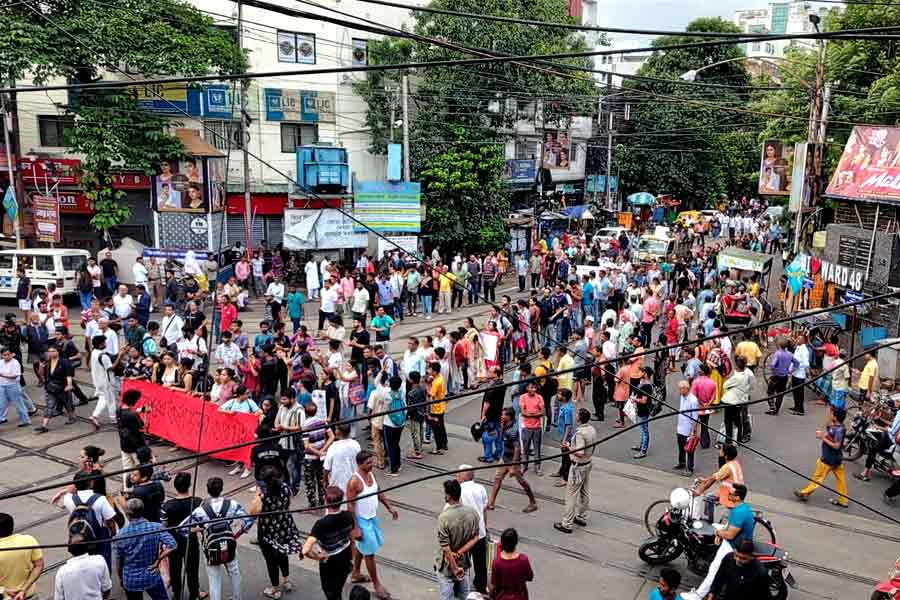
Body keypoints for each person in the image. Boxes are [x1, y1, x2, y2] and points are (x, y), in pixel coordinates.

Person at [179, 477, 255, 600]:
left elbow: (182, 528)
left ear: (207, 490)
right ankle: (237, 597)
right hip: (229, 542)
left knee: (214, 579)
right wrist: (239, 533)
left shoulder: (200, 511)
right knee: (234, 572)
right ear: (221, 489)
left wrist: (201, 529)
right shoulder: (232, 504)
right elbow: (248, 520)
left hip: (211, 546)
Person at [680, 484, 754, 600]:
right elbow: (729, 526)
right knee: (713, 526)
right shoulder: (740, 507)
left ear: (738, 497)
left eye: (731, 493)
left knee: (714, 568)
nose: (728, 494)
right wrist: (720, 531)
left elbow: (730, 535)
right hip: (736, 540)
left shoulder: (739, 512)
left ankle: (698, 595)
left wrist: (718, 533)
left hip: (734, 545)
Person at [346, 450, 399, 599]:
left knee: (363, 548)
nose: (372, 465)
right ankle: (377, 584)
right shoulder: (354, 481)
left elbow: (378, 491)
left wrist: (389, 507)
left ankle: (355, 573)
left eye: (372, 461)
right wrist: (355, 528)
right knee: (369, 554)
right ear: (360, 464)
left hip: (372, 518)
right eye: (368, 463)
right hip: (361, 521)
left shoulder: (371, 474)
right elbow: (350, 506)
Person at [249, 466, 303, 599]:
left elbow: (253, 513)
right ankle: (286, 580)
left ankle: (275, 589)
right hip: (284, 525)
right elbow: (288, 503)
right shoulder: (285, 488)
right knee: (282, 553)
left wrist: (256, 496)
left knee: (271, 560)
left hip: (268, 531)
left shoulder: (263, 495)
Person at [115, 498, 177, 600]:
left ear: (127, 514)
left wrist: (121, 578)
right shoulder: (156, 527)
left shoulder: (121, 535)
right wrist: (158, 560)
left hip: (131, 579)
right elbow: (173, 545)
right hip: (151, 575)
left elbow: (119, 562)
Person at [303, 486, 356, 600]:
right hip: (345, 557)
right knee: (338, 587)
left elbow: (305, 550)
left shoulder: (321, 524)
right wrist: (351, 558)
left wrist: (318, 557)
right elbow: (352, 540)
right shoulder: (348, 516)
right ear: (341, 501)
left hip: (330, 561)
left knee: (330, 590)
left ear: (326, 501)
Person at [794, 405, 849, 508]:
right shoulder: (838, 427)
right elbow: (829, 424)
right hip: (837, 459)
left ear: (835, 417)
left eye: (832, 414)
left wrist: (822, 437)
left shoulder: (838, 430)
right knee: (840, 480)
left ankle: (804, 493)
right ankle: (843, 500)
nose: (830, 415)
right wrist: (830, 414)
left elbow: (836, 446)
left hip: (829, 458)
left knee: (818, 477)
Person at [435, 479, 481, 600]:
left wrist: (455, 568)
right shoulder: (473, 513)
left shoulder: (444, 518)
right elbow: (476, 537)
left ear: (448, 496)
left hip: (446, 566)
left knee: (447, 595)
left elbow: (445, 547)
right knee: (465, 594)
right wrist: (460, 552)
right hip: (464, 561)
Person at [161, 472, 203, 600]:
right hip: (191, 541)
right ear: (189, 485)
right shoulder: (198, 502)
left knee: (175, 568)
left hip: (174, 542)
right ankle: (194, 594)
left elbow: (163, 526)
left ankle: (177, 593)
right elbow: (202, 523)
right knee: (192, 569)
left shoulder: (167, 505)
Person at [487, 408, 538, 513]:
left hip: (512, 460)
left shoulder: (513, 430)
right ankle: (491, 503)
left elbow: (517, 448)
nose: (501, 416)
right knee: (497, 479)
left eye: (503, 415)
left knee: (522, 482)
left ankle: (533, 502)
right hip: (504, 458)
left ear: (509, 417)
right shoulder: (504, 425)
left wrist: (513, 466)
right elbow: (501, 438)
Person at [554, 408, 596, 534]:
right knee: (584, 491)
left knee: (571, 495)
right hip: (588, 463)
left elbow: (580, 452)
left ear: (579, 418)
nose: (575, 416)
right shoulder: (591, 429)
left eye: (577, 415)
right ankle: (581, 516)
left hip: (578, 466)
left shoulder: (580, 434)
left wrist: (568, 447)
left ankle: (567, 524)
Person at [455, 467, 489, 594]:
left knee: (462, 562)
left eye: (458, 474)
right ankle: (481, 586)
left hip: (464, 536)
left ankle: (459, 586)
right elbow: (485, 510)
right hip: (480, 533)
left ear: (463, 476)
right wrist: (485, 527)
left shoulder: (459, 490)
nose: (456, 477)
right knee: (480, 562)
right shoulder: (481, 488)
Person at [54, 531, 113, 600]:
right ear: (87, 546)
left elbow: (58, 598)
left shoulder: (61, 572)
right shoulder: (99, 560)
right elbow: (107, 589)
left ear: (70, 550)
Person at [706, 539, 770, 600]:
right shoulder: (729, 558)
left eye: (743, 558)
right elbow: (719, 578)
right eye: (736, 555)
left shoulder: (760, 572)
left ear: (752, 556)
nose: (737, 560)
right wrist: (712, 594)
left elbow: (763, 596)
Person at [0, 512, 43, 600]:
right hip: (27, 595)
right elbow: (39, 565)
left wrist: (5, 590)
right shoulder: (28, 540)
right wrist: (23, 589)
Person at [488, 528, 533, 600]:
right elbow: (530, 577)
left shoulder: (497, 562)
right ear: (516, 542)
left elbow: (493, 586)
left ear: (502, 543)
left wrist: (490, 595)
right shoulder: (523, 559)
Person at [118, 389, 148, 492]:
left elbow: (129, 413)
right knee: (141, 470)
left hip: (124, 446)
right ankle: (140, 489)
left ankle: (127, 490)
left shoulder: (119, 410)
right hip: (137, 448)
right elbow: (141, 427)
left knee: (127, 469)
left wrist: (139, 410)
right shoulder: (133, 415)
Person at [324, 423, 362, 506]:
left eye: (336, 429)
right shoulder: (356, 444)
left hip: (338, 485)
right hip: (353, 482)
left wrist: (326, 482)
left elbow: (326, 469)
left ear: (338, 432)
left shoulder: (333, 447)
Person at [518, 380, 545, 476]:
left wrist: (530, 414)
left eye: (534, 387)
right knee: (525, 448)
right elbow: (523, 412)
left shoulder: (539, 397)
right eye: (531, 387)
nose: (533, 389)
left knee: (537, 448)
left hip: (537, 427)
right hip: (526, 427)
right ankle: (524, 466)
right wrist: (535, 414)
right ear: (527, 388)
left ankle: (537, 467)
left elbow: (542, 412)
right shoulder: (523, 397)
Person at [0, 347, 31, 428]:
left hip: (13, 386)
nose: (6, 356)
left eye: (8, 355)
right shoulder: (1, 362)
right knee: (1, 404)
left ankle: (25, 420)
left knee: (18, 404)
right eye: (4, 355)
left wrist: (2, 375)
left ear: (11, 354)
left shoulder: (15, 362)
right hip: (2, 386)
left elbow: (14, 375)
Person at [674, 380, 700, 475]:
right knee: (681, 447)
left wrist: (693, 432)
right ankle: (681, 462)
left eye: (680, 389)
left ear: (686, 388)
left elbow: (695, 417)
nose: (679, 391)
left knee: (689, 449)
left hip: (688, 429)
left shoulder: (693, 400)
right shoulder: (682, 397)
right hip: (680, 427)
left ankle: (690, 468)